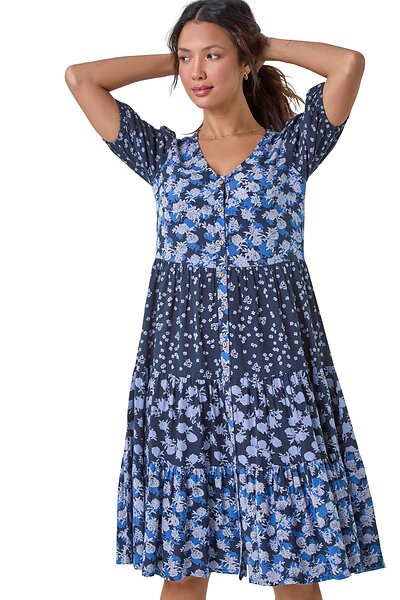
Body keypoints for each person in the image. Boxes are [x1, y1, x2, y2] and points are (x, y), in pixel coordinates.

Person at [65, 1, 386, 599]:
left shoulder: (290, 151)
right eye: (185, 58)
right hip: (184, 378)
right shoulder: (164, 157)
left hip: (275, 375)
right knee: (184, 569)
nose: (196, 71)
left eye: (212, 55)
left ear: (244, 61)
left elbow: (348, 64)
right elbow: (82, 78)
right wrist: (178, 58)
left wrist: (257, 45)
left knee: (293, 562)